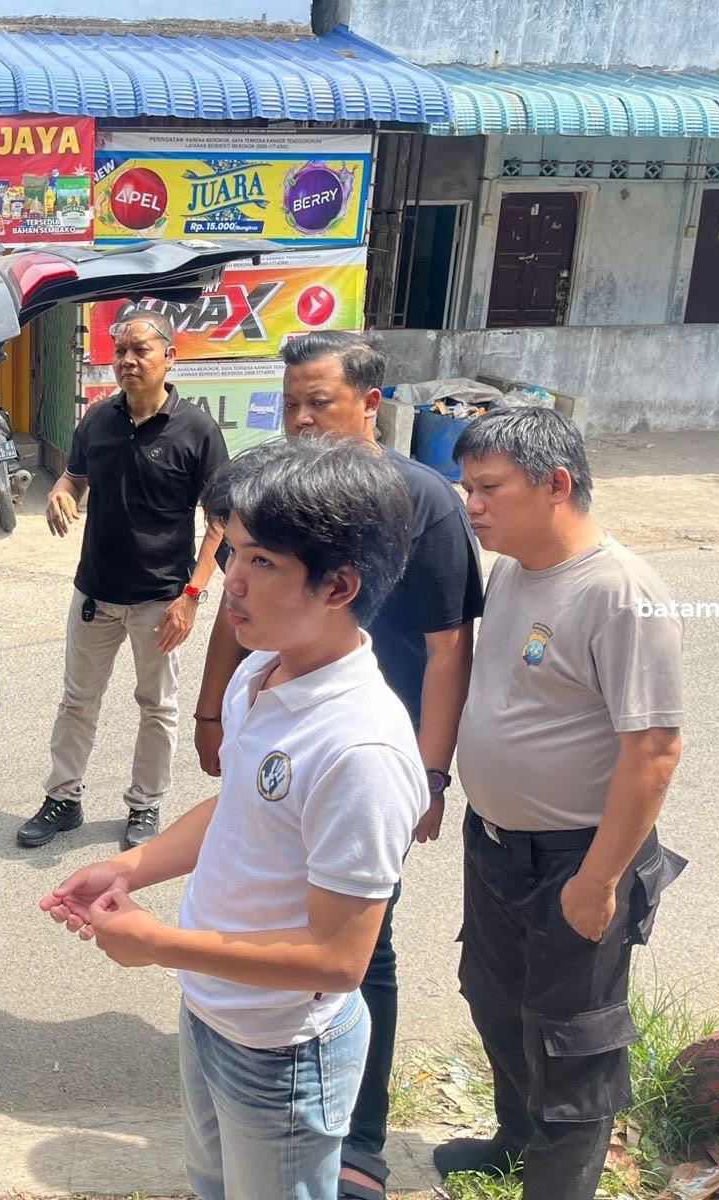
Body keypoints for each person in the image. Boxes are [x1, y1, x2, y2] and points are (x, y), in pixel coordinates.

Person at [42, 437, 427, 1200]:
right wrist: (131, 866)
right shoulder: (262, 669)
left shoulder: (361, 748)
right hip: (213, 1009)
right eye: (233, 552)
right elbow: (243, 805)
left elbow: (337, 959)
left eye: (263, 562)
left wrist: (159, 945)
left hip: (284, 1052)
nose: (232, 581)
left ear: (339, 585)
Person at [191, 331, 484, 1199]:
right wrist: (212, 711)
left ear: (370, 403)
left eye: (318, 401)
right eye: (290, 403)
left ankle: (360, 1142)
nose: (302, 419)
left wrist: (430, 774)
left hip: (360, 756)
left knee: (360, 945)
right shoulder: (274, 500)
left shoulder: (420, 503)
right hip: (285, 721)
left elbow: (448, 649)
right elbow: (235, 607)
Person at [435, 408, 686, 1197]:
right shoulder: (515, 568)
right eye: (466, 487)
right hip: (497, 845)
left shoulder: (622, 593)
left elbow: (654, 753)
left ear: (556, 484)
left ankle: (557, 1184)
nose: (472, 505)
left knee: (573, 1041)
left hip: (578, 856)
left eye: (488, 488)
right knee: (495, 1000)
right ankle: (517, 1141)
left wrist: (598, 880)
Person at [20, 309, 229, 851]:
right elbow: (74, 477)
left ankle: (144, 804)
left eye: (141, 350)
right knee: (77, 701)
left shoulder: (197, 430)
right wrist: (61, 493)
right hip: (95, 592)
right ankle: (63, 798)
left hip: (161, 601)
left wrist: (191, 596)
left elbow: (220, 521)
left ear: (169, 357)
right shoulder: (97, 419)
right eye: (120, 351)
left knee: (157, 706)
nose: (128, 361)